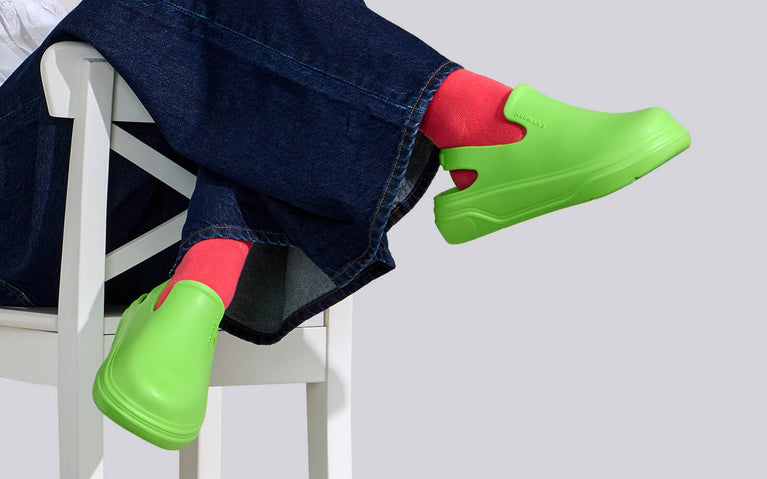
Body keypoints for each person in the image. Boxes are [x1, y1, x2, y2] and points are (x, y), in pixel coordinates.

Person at [0, 0, 690, 449]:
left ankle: (192, 295)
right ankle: (486, 125)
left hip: (142, 208)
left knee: (255, 68)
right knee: (150, 23)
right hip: (26, 213)